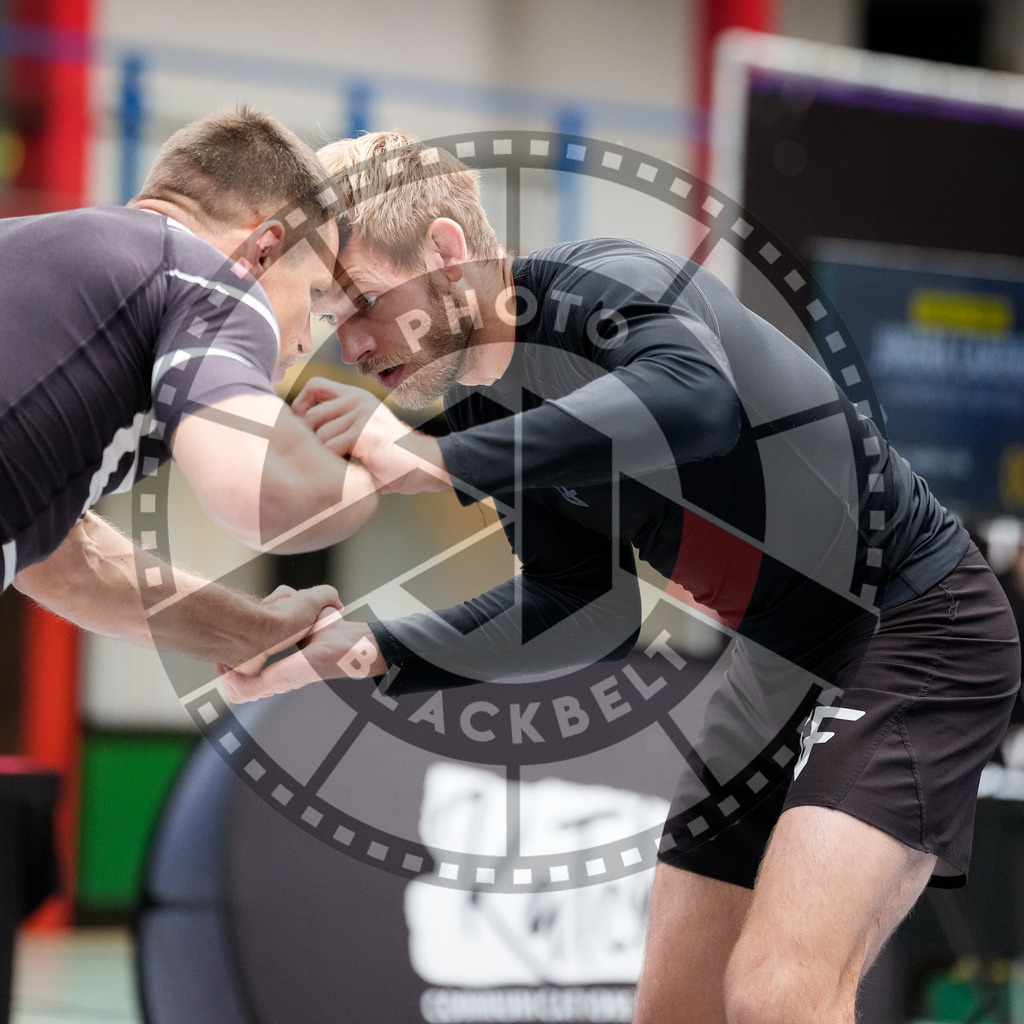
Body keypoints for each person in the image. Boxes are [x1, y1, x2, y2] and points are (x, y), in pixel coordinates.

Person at [223, 130, 1020, 1024]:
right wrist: (358, 649)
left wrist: (445, 464)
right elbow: (583, 610)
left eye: (363, 301)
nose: (354, 345)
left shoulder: (601, 288)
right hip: (777, 659)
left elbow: (696, 401)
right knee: (675, 1008)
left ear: (447, 254)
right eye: (333, 317)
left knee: (776, 996)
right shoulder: (484, 400)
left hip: (915, 625)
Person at [1, 108, 380, 678]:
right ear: (264, 250)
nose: (304, 342)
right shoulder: (210, 283)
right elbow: (255, 495)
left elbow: (65, 563)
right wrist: (378, 470)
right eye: (315, 295)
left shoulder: (35, 252)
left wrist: (258, 632)